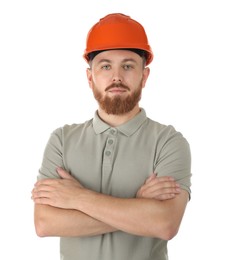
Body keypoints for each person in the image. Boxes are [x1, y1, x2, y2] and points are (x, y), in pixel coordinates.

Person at [32, 13, 192, 260]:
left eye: (128, 66)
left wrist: (77, 198)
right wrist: (137, 206)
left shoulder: (169, 142)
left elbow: (165, 224)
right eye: (106, 66)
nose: (116, 77)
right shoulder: (62, 140)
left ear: (144, 76)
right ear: (90, 77)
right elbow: (45, 223)